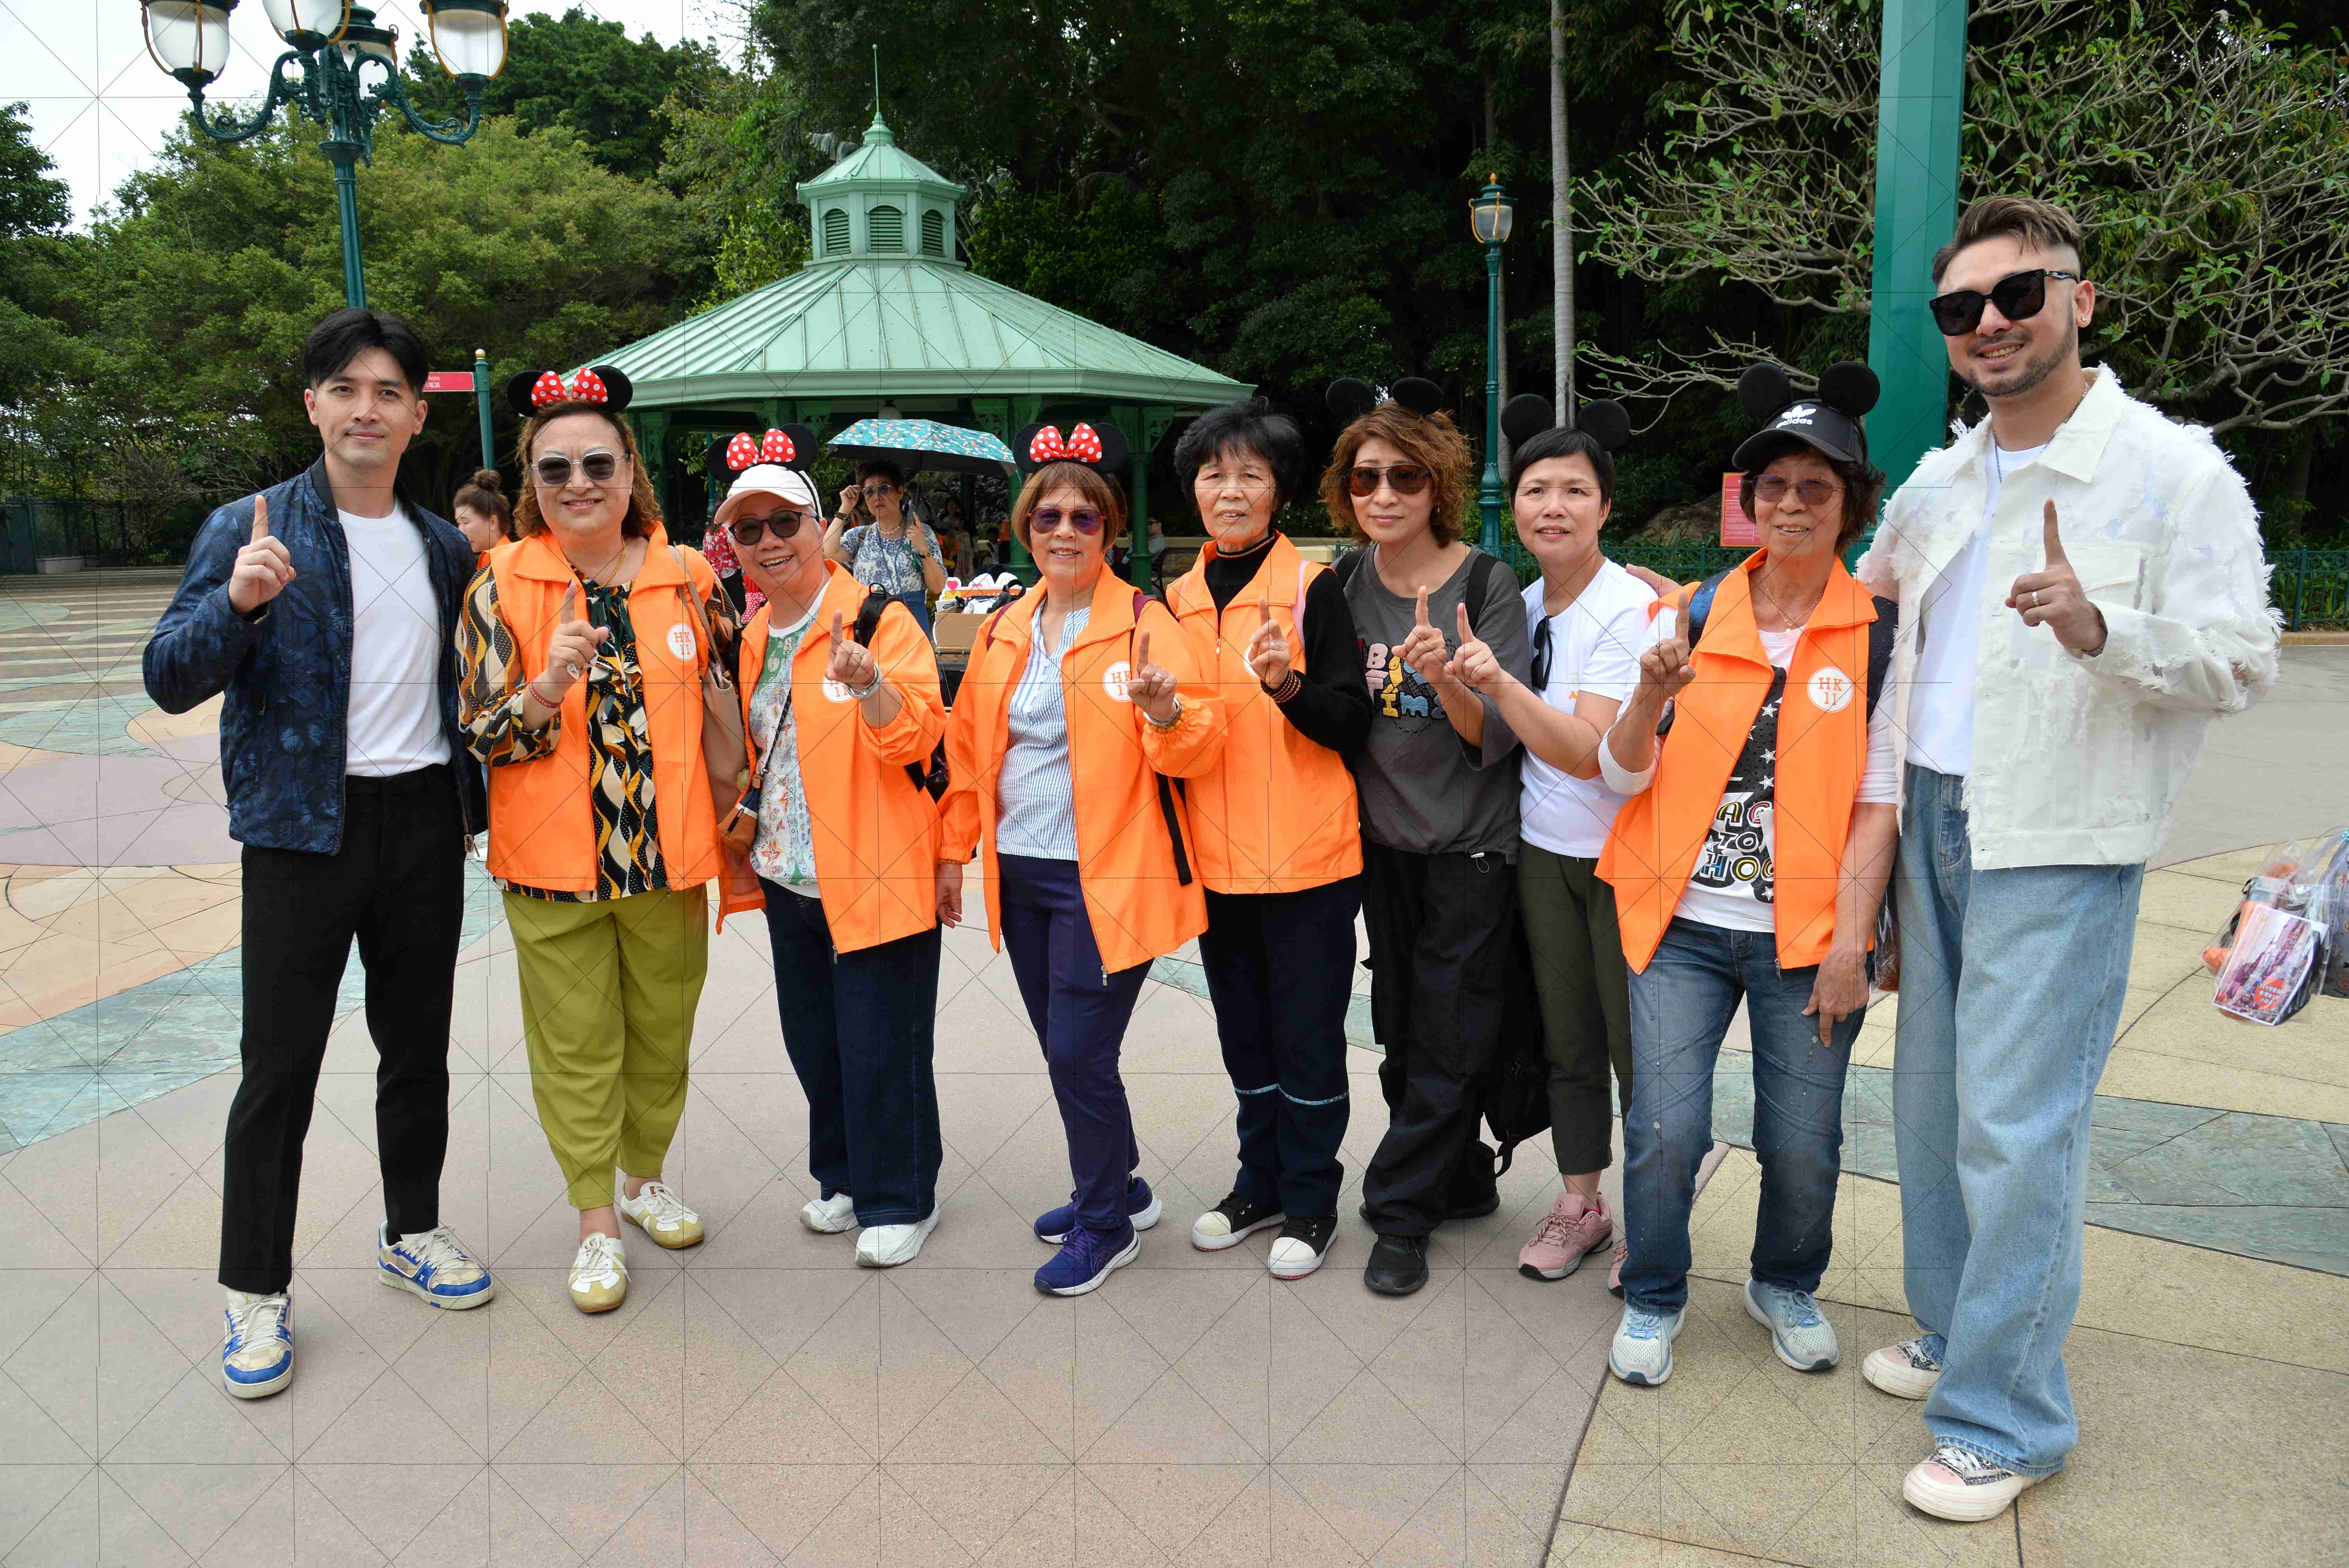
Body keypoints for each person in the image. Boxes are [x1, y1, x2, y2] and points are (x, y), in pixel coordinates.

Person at [1855, 196, 2278, 1521]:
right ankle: (1956, 1326)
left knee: (2017, 1127)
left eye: (2017, 294)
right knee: (1931, 1107)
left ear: (2079, 299)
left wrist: (2104, 630)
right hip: (1930, 810)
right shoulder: (1941, 476)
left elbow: (2243, 660)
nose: (1988, 323)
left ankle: (2008, 1418)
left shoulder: (2171, 472)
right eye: (1960, 308)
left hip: (2058, 832)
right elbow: (1869, 604)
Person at [143, 307, 494, 1400]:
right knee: (279, 1067)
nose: (366, 409)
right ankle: (255, 1289)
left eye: (388, 392)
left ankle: (412, 1229)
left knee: (418, 1048)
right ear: (312, 405)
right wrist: (238, 603)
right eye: (345, 388)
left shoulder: (441, 544)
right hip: (301, 832)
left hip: (421, 822)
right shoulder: (251, 526)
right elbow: (168, 674)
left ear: (417, 413)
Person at [1595, 360, 1900, 1390]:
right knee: (1664, 1128)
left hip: (1808, 937)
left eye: (1816, 487)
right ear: (1749, 501)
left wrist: (1853, 940)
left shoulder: (1878, 633)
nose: (1792, 504)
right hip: (1678, 922)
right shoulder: (1689, 611)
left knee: (1803, 1139)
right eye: (1773, 486)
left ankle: (1784, 1281)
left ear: (1851, 504)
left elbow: (1879, 800)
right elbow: (1621, 770)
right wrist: (1647, 697)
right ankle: (1653, 1292)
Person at [458, 363, 737, 1315]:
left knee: (661, 1033)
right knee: (577, 1047)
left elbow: (735, 703)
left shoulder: (689, 576)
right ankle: (595, 1221)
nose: (577, 482)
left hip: (669, 858)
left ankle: (644, 1177)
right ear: (530, 482)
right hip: (551, 866)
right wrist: (543, 689)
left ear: (629, 470)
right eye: (554, 468)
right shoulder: (500, 582)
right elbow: (481, 730)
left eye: (596, 463)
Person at [937, 421, 1224, 1296]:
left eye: (1084, 518)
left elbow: (1198, 747)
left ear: (1109, 530)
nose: (1065, 531)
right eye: (1048, 517)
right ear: (1025, 528)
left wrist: (1166, 711)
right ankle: (1122, 1185)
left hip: (1107, 879)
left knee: (1076, 1054)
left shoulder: (1145, 624)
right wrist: (953, 854)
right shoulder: (1003, 627)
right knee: (1066, 1049)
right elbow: (966, 751)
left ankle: (1106, 1223)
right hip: (1018, 873)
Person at [710, 434, 951, 1267]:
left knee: (884, 1045)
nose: (769, 541)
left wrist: (872, 685)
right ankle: (845, 1174)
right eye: (749, 529)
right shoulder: (752, 638)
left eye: (785, 522)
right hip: (788, 876)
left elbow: (923, 738)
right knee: (815, 1041)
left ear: (821, 526)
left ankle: (902, 1194)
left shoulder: (880, 619)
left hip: (876, 872)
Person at [1322, 377, 1531, 1299]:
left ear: (1435, 484)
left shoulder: (1485, 583)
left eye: (1404, 476)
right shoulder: (1340, 584)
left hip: (1471, 849)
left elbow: (1494, 736)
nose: (1383, 493)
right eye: (1365, 476)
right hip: (1381, 849)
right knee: (1403, 1033)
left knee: (1447, 1031)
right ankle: (1461, 1177)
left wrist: (1446, 675)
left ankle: (1399, 1213)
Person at [1166, 399, 1373, 1280]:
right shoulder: (1174, 600)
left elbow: (1352, 722)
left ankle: (1313, 1198)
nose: (1230, 490)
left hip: (1307, 862)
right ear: (1194, 490)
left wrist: (1287, 685)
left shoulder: (1311, 587)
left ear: (1278, 490)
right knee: (1244, 1039)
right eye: (1213, 474)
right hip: (1215, 862)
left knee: (1307, 1041)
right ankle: (1259, 1183)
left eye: (1250, 474)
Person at [1447, 395, 1650, 1289]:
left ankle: (1651, 1219)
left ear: (1605, 506)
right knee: (1567, 1041)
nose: (1551, 507)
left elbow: (1592, 753)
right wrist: (1451, 681)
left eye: (1573, 490)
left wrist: (1497, 684)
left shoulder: (1632, 607)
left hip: (1625, 859)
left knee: (1637, 1052)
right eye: (1535, 490)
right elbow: (1489, 738)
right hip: (1539, 853)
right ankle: (1579, 1205)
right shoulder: (1520, 605)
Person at [824, 458, 946, 633]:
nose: (877, 497)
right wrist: (845, 508)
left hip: (912, 627)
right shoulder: (860, 536)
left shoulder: (921, 533)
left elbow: (938, 586)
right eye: (869, 492)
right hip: (870, 627)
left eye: (884, 489)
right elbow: (827, 554)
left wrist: (922, 548)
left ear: (900, 492)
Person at [452, 468, 512, 560]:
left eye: (466, 522)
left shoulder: (512, 560)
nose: (460, 531)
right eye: (459, 523)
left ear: (492, 522)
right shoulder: (487, 559)